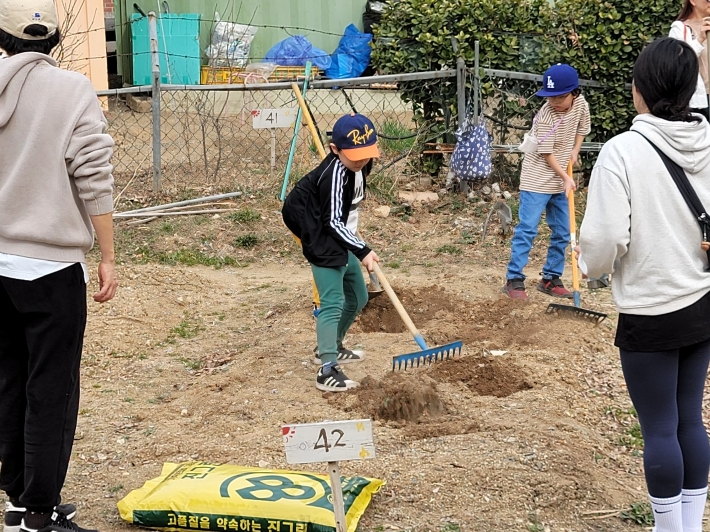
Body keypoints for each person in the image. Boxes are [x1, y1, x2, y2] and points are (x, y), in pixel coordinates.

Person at [578, 37, 710, 532]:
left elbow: (606, 237)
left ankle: (669, 528)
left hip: (651, 309)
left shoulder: (623, 151)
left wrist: (590, 265)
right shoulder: (708, 140)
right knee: (689, 419)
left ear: (641, 90)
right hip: (701, 300)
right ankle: (692, 524)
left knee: (658, 428)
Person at [0, 1, 118, 532]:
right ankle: (39, 516)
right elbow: (94, 175)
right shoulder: (72, 90)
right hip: (50, 269)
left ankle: (18, 500)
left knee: (9, 379)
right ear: (53, 41)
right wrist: (109, 254)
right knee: (52, 388)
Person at [282, 113, 380, 392]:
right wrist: (362, 250)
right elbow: (331, 221)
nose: (361, 160)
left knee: (358, 297)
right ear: (335, 150)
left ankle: (332, 347)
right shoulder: (335, 173)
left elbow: (344, 213)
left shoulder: (359, 166)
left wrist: (355, 242)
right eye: (355, 156)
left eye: (366, 154)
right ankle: (326, 368)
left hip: (336, 232)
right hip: (317, 232)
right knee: (333, 302)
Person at [503, 63, 591, 300]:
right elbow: (545, 153)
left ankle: (550, 278)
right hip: (537, 178)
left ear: (574, 92)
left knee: (563, 230)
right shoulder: (545, 115)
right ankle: (514, 279)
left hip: (560, 177)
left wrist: (575, 150)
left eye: (560, 97)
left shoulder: (581, 105)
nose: (554, 102)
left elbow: (583, 127)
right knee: (528, 229)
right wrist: (565, 177)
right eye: (550, 97)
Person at [670, 0, 710, 120]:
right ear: (693, 1)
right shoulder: (680, 29)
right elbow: (678, 61)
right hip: (698, 100)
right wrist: (699, 40)